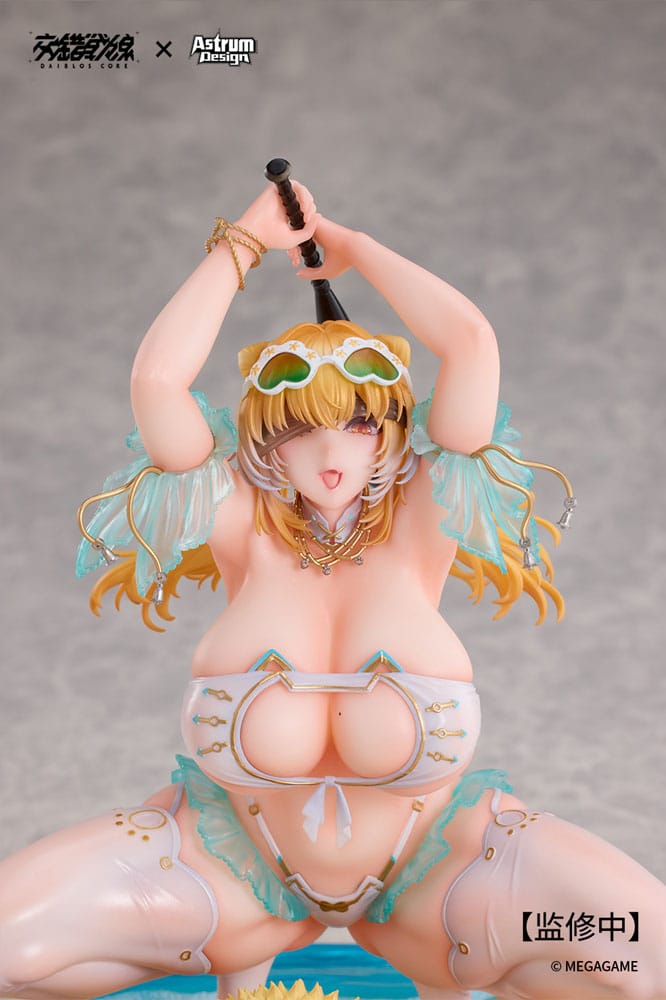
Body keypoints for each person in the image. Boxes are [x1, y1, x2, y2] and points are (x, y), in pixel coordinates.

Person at [1, 181, 664, 1000]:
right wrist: (244, 239)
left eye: (357, 423)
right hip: (230, 874)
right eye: (297, 427)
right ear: (264, 443)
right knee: (8, 949)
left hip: (439, 879)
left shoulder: (426, 511)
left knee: (648, 959)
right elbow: (159, 382)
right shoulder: (239, 520)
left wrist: (353, 248)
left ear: (389, 432)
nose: (330, 453)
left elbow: (470, 343)